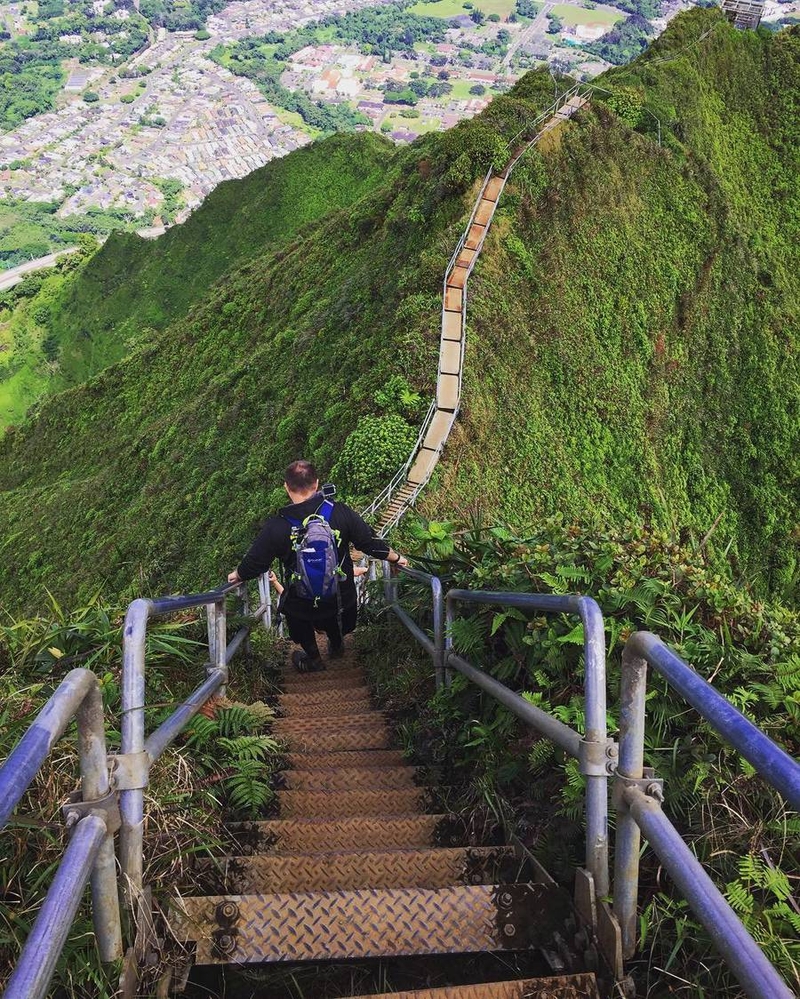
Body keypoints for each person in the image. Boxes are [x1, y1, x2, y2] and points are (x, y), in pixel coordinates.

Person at [228, 459, 408, 671]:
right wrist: (397, 558)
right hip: (341, 599)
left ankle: (313, 657)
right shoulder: (340, 512)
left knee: (292, 606)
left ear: (286, 487)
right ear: (317, 484)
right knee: (335, 607)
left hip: (303, 605)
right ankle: (337, 644)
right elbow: (368, 543)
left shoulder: (278, 525)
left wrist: (237, 575)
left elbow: (255, 563)